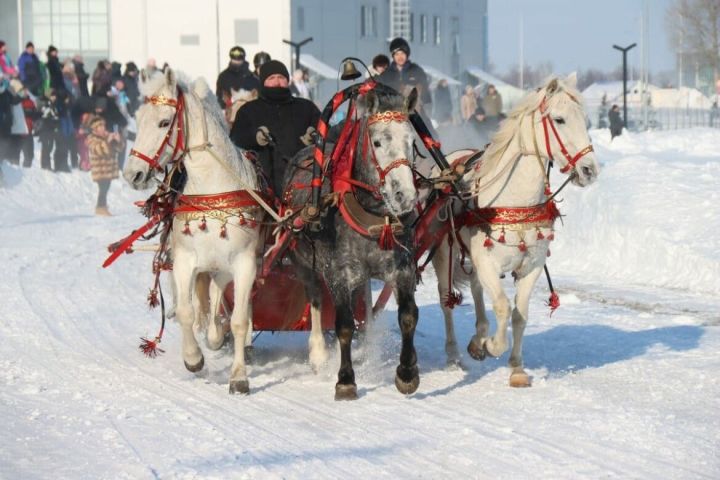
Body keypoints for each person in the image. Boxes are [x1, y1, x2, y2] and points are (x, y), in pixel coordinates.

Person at [230, 60, 320, 195]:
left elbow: (326, 132)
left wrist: (314, 136)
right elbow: (235, 139)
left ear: (288, 81)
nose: (277, 82)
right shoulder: (248, 110)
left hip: (303, 186)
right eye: (271, 78)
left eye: (281, 77)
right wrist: (254, 137)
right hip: (261, 186)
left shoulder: (306, 108)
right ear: (263, 82)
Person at [85, 115, 121, 216]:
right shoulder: (91, 138)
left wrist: (118, 141)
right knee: (103, 188)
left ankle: (103, 205)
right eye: (100, 127)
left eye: (103, 126)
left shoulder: (107, 135)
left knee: (106, 187)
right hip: (100, 169)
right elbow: (98, 150)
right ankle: (100, 207)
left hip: (109, 169)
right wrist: (108, 141)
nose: (103, 128)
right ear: (95, 129)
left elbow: (118, 149)